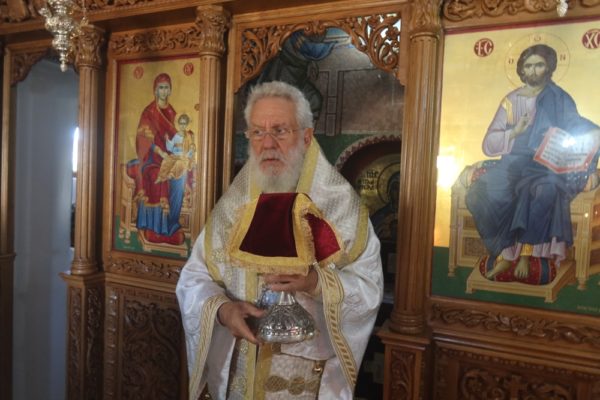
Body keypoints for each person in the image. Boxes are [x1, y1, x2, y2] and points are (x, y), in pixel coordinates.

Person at [176, 81, 383, 399]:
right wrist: (223, 311)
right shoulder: (232, 207)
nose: (267, 143)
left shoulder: (341, 208)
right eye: (257, 132)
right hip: (237, 371)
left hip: (305, 379)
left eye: (280, 131)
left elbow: (369, 289)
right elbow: (194, 277)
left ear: (306, 136)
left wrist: (316, 282)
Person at [466, 44, 600, 280]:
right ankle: (504, 253)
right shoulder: (511, 101)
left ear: (549, 68)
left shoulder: (559, 98)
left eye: (539, 65)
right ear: (521, 69)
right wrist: (514, 132)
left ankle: (527, 254)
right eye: (528, 66)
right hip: (513, 163)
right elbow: (488, 144)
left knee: (543, 189)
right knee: (477, 194)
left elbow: (575, 125)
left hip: (545, 164)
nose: (533, 70)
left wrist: (593, 134)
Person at [134, 73, 186, 245]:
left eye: (166, 87)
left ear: (170, 90)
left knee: (181, 177)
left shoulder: (171, 112)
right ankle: (155, 228)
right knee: (159, 176)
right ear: (155, 90)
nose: (163, 91)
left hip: (169, 156)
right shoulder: (149, 112)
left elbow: (175, 136)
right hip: (151, 159)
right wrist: (161, 153)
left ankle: (171, 224)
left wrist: (180, 149)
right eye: (160, 88)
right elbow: (143, 140)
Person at [156, 113, 195, 183]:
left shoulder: (188, 136)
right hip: (175, 156)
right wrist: (167, 140)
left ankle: (170, 175)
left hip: (184, 157)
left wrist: (191, 150)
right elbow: (170, 147)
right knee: (166, 160)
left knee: (178, 163)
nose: (182, 125)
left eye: (184, 123)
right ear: (179, 124)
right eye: (181, 123)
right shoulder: (176, 135)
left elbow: (191, 146)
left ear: (187, 124)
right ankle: (161, 177)